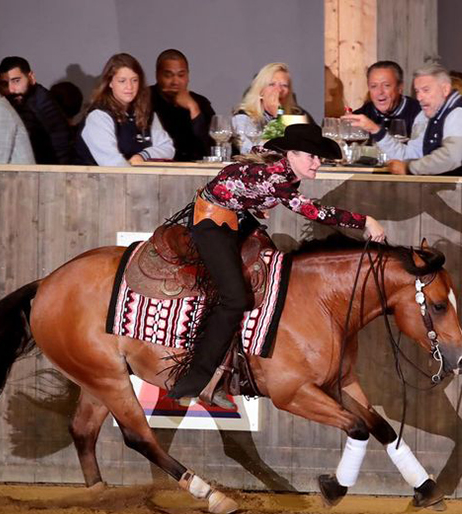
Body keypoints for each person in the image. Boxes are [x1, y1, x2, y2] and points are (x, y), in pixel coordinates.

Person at [167, 123, 386, 406]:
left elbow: (247, 170)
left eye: (319, 157)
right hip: (210, 223)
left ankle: (227, 371)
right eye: (312, 156)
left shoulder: (280, 167)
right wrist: (365, 221)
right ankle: (194, 381)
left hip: (235, 217)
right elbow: (311, 211)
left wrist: (254, 202)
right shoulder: (276, 177)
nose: (317, 163)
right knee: (233, 298)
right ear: (291, 154)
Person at [345, 61, 462, 176]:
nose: (420, 97)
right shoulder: (431, 115)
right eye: (417, 91)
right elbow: (411, 154)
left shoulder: (458, 113)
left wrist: (409, 168)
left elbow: (451, 157)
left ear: (445, 89)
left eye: (426, 90)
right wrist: (376, 130)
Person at [76, 53, 175, 166]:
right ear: (110, 82)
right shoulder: (98, 116)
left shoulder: (146, 111)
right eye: (122, 81)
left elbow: (168, 148)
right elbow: (112, 164)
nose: (129, 87)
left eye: (134, 80)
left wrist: (143, 156)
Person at [0, 56, 73, 164]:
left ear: (31, 77)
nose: (11, 89)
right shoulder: (20, 100)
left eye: (16, 81)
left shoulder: (43, 102)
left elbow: (61, 144)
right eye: (6, 83)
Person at [150, 49, 215, 162]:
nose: (175, 81)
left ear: (188, 76)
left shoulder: (200, 103)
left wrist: (193, 109)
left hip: (195, 169)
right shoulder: (144, 99)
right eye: (168, 75)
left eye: (181, 75)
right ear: (157, 75)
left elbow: (212, 148)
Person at [232, 62, 311, 154]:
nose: (279, 90)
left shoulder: (297, 115)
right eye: (272, 84)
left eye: (284, 85)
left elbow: (305, 150)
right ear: (260, 90)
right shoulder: (243, 116)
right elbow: (249, 151)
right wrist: (277, 117)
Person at [350, 61, 421, 136]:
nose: (380, 92)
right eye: (373, 86)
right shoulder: (361, 116)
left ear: (400, 87)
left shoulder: (419, 113)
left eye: (386, 85)